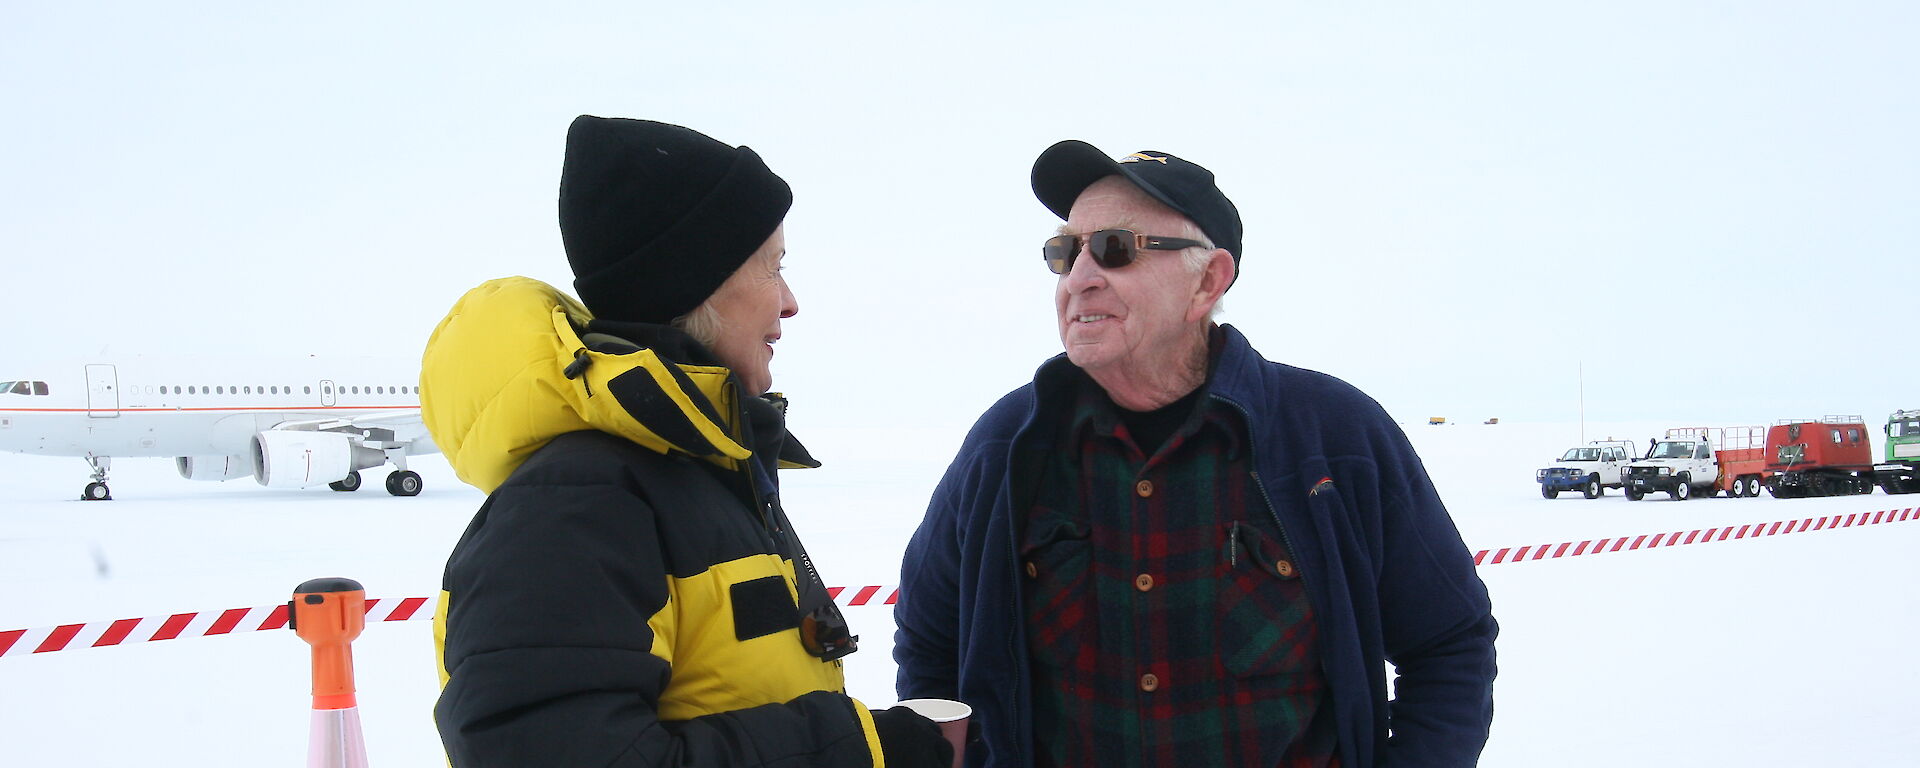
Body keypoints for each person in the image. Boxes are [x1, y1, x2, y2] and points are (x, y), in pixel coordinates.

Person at [893, 141, 1497, 767]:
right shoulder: (1006, 446)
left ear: (1208, 281)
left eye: (1115, 249)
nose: (1079, 277)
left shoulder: (1337, 440)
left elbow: (1450, 642)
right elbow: (930, 643)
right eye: (1063, 252)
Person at [424, 116, 951, 768]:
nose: (790, 303)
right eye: (773, 268)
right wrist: (856, 749)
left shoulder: (697, 475)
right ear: (697, 280)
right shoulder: (574, 506)